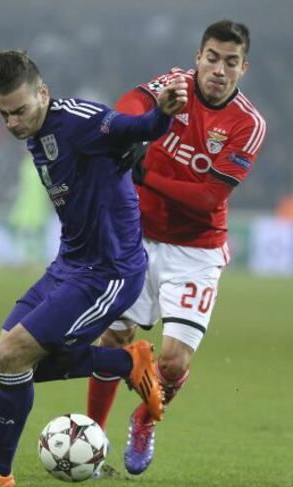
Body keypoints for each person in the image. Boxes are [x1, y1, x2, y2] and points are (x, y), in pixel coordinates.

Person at [0, 50, 189, 487]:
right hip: (70, 265)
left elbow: (135, 128)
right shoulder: (36, 134)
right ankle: (125, 362)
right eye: (3, 115)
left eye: (19, 110)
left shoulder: (80, 120)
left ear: (43, 93)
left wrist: (163, 114)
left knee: (11, 356)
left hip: (109, 273)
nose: (12, 124)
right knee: (9, 364)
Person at [87, 19, 267, 475]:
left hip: (196, 249)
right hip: (138, 237)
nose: (218, 70)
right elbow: (132, 101)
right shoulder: (175, 86)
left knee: (171, 361)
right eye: (212, 58)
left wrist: (144, 172)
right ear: (198, 57)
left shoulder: (247, 124)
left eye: (230, 62)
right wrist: (128, 127)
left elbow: (210, 197)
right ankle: (89, 437)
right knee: (115, 339)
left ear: (243, 68)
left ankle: (145, 418)